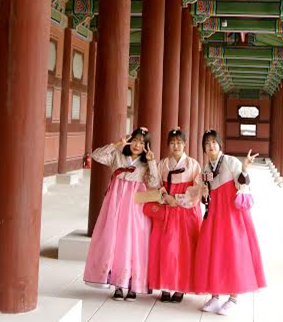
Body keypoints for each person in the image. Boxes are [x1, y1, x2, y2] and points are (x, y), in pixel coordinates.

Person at [194, 129, 266, 316]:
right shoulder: (207, 169)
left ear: (220, 145)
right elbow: (206, 197)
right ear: (204, 148)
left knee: (233, 252)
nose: (211, 146)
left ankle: (233, 298)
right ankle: (215, 295)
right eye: (207, 143)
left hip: (231, 215)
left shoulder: (230, 162)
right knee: (213, 252)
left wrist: (245, 169)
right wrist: (203, 192)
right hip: (214, 216)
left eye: (214, 142)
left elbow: (242, 184)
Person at [83, 127, 160, 301]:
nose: (137, 145)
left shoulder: (144, 164)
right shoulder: (117, 156)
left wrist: (152, 162)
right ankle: (118, 284)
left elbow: (154, 182)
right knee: (115, 241)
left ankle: (133, 284)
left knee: (134, 242)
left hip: (135, 206)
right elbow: (96, 155)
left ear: (146, 146)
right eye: (135, 140)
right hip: (115, 204)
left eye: (142, 142)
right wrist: (116, 145)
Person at [147, 128, 203, 303]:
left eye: (179, 142)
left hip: (186, 210)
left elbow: (197, 188)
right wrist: (165, 197)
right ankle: (164, 286)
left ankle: (180, 287)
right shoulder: (163, 164)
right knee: (165, 248)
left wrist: (179, 199)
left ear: (185, 144)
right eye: (172, 143)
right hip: (167, 208)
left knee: (184, 249)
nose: (176, 146)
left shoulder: (193, 165)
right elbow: (154, 182)